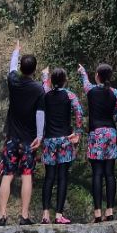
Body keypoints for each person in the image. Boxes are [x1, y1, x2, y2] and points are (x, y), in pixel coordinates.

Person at [0, 40, 44, 226]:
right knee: (26, 175)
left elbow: (11, 68)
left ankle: (2, 215)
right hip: (29, 140)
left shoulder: (13, 81)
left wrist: (15, 51)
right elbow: (40, 114)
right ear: (34, 70)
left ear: (21, 68)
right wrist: (39, 137)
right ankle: (24, 216)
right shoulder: (38, 89)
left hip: (12, 138)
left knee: (7, 175)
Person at [78, 62, 117, 222]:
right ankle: (110, 211)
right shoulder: (116, 93)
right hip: (110, 134)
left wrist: (83, 71)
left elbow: (85, 82)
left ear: (97, 76)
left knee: (97, 174)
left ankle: (98, 213)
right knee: (110, 173)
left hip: (96, 134)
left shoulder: (91, 90)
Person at [36, 66, 84, 224]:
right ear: (65, 80)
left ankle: (45, 215)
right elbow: (79, 112)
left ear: (51, 81)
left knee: (49, 177)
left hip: (49, 140)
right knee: (63, 177)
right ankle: (58, 215)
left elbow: (44, 87)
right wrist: (78, 132)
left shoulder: (46, 95)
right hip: (65, 140)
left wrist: (44, 76)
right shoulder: (70, 95)